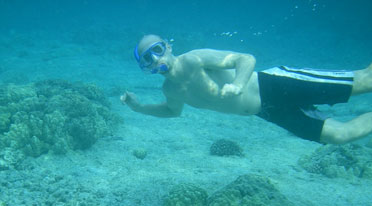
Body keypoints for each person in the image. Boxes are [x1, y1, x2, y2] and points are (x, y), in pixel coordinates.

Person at [120, 34, 372, 144]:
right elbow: (171, 112)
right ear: (145, 68)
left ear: (168, 46)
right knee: (342, 135)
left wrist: (238, 84)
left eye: (156, 50)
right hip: (267, 111)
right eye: (146, 59)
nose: (155, 59)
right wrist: (138, 107)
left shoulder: (194, 58)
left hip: (275, 85)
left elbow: (246, 59)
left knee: (365, 81)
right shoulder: (170, 90)